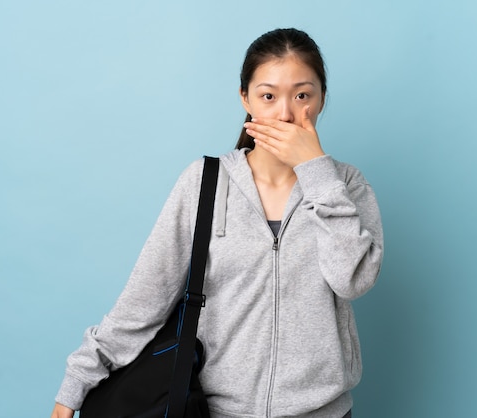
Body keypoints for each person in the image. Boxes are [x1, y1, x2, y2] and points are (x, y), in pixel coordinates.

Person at [51, 27, 383, 418]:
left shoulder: (345, 185)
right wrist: (78, 382)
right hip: (217, 411)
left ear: (322, 98)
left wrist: (315, 171)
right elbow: (146, 298)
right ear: (245, 98)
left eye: (302, 95)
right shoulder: (205, 182)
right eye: (268, 96)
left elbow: (353, 280)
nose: (286, 113)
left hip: (324, 411)